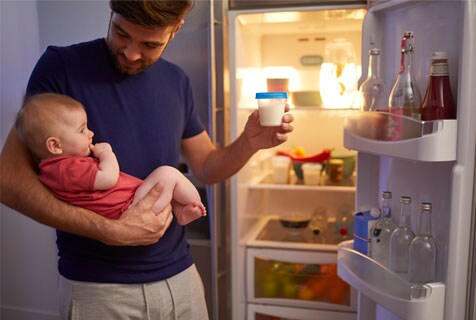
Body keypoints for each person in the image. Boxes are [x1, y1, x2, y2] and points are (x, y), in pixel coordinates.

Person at [0, 0, 294, 319]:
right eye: (120, 32)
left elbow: (207, 167)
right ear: (111, 12)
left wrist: (249, 143)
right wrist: (109, 230)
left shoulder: (177, 81)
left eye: (149, 44)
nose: (130, 53)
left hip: (181, 280)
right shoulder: (60, 66)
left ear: (175, 30)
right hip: (99, 290)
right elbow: (9, 180)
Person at [16, 92, 207, 225]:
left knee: (166, 187)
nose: (91, 133)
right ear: (55, 146)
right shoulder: (68, 168)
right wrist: (107, 154)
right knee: (168, 173)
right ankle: (193, 202)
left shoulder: (50, 171)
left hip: (129, 204)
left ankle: (181, 212)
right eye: (82, 130)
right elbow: (108, 179)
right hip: (129, 208)